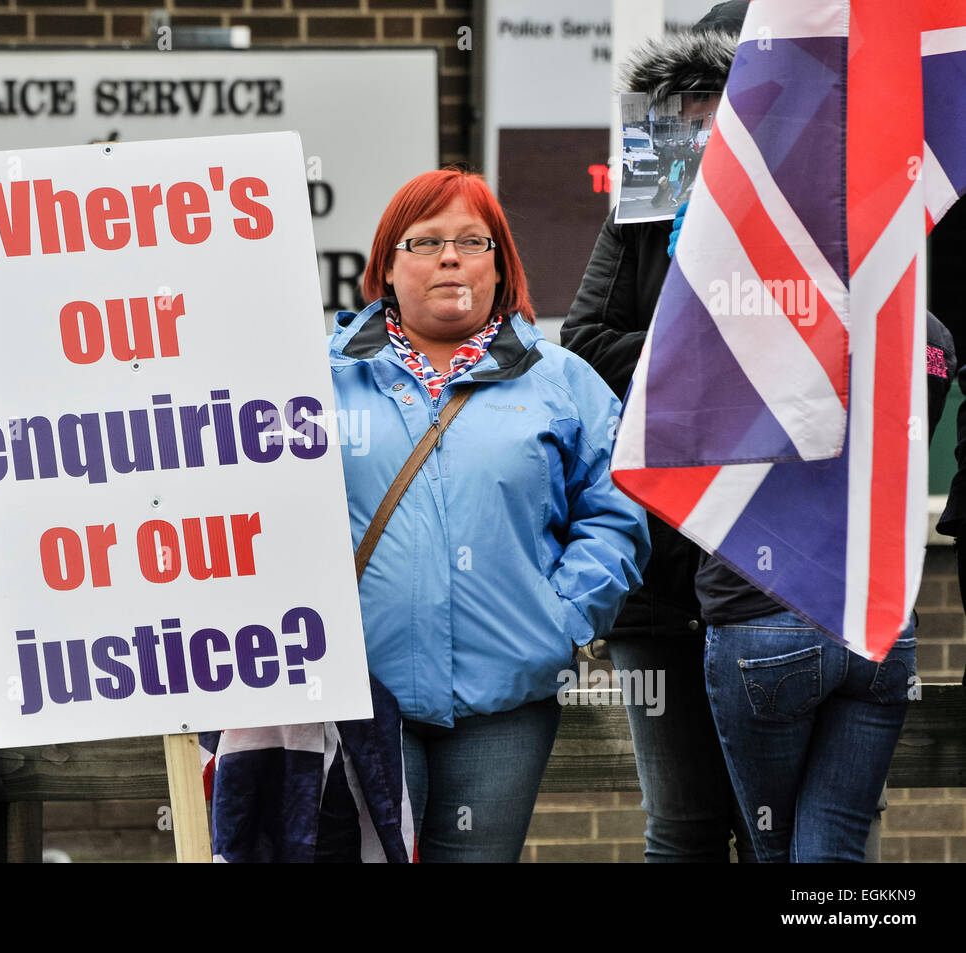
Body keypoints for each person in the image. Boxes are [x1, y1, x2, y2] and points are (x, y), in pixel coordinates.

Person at [328, 168, 650, 862]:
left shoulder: (562, 382)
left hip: (507, 700)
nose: (449, 256)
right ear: (387, 264)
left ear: (501, 267)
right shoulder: (319, 383)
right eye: (426, 241)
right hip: (363, 697)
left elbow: (617, 508)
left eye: (472, 241)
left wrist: (560, 617)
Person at [560, 1, 753, 862]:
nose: (706, 130)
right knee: (680, 823)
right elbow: (587, 342)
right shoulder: (655, 187)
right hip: (658, 557)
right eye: (694, 111)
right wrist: (710, 340)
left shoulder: (810, 208)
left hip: (767, 564)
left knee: (769, 829)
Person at [699, 319, 956, 863]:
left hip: (764, 612)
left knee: (771, 847)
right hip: (877, 619)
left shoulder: (751, 306)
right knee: (833, 850)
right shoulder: (930, 334)